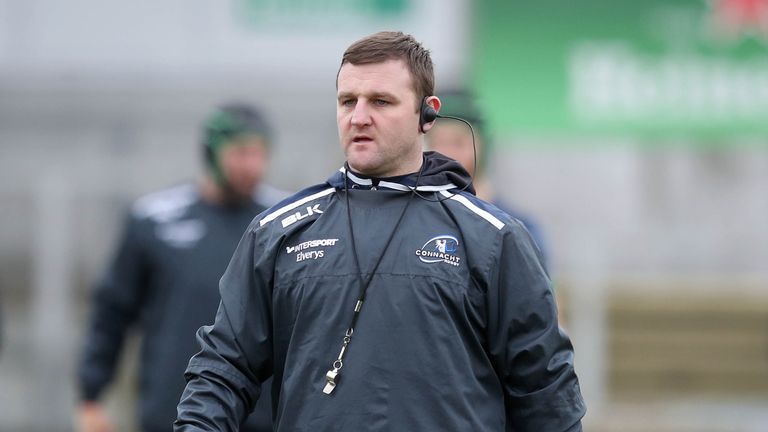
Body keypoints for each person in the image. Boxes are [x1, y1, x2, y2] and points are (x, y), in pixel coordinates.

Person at [175, 31, 585, 431]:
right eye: (347, 101)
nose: (359, 117)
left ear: (427, 113)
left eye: (381, 102)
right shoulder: (279, 232)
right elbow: (225, 366)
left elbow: (544, 388)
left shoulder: (493, 237)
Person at [77, 102, 285, 432]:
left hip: (261, 418)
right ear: (212, 152)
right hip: (172, 413)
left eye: (261, 153)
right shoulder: (154, 219)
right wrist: (91, 393)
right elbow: (112, 311)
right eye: (242, 152)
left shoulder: (284, 221)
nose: (253, 165)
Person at [425, 88, 549, 266]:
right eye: (437, 142)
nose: (446, 155)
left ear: (483, 147)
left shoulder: (516, 229)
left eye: (458, 143)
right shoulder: (416, 220)